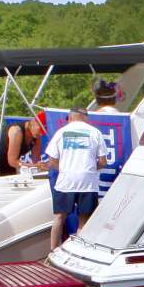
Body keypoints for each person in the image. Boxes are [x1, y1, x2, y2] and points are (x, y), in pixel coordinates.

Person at [44, 106, 108, 248]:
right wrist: (89, 169)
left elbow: (52, 161)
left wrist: (66, 169)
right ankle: (78, 252)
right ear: (86, 117)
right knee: (83, 221)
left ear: (71, 117)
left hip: (65, 182)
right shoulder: (95, 132)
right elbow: (103, 162)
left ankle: (52, 250)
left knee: (59, 217)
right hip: (88, 182)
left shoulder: (61, 132)